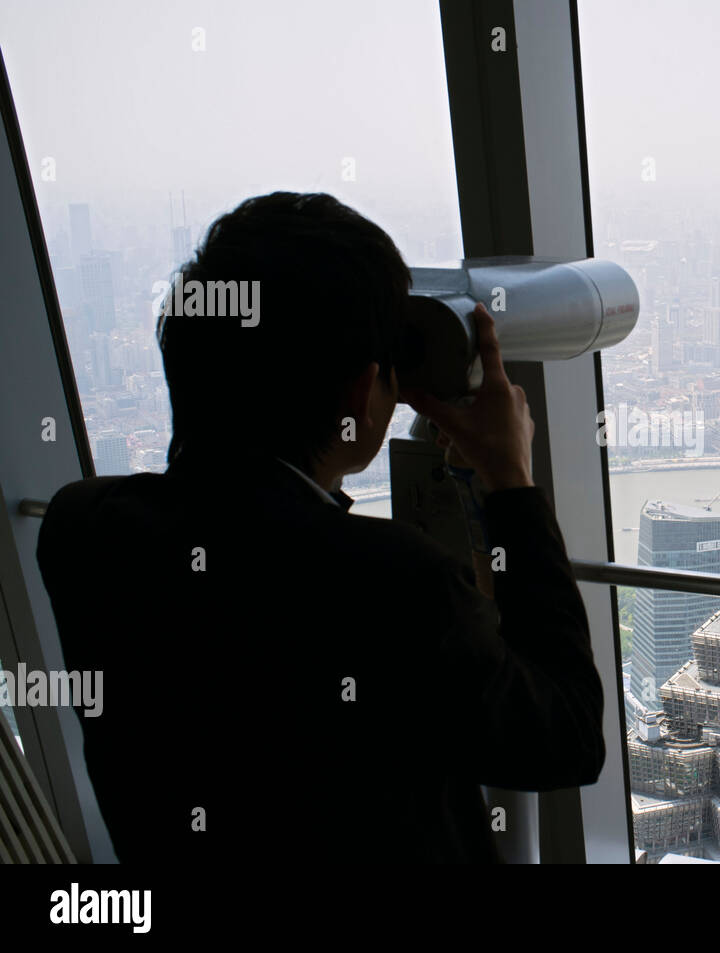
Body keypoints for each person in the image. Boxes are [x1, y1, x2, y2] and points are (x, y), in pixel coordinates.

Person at [35, 192, 604, 862]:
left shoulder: (83, 529)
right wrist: (511, 482)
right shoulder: (395, 583)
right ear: (364, 390)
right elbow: (567, 736)